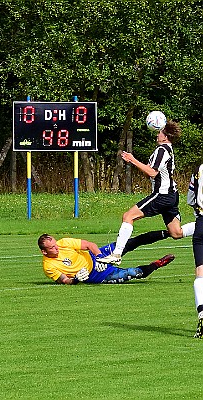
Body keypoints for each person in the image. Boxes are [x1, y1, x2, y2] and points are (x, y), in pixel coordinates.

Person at [98, 120, 195, 265]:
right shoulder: (165, 149)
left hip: (162, 195)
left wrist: (133, 159)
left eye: (159, 132)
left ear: (165, 136)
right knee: (176, 232)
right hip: (171, 195)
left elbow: (152, 172)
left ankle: (116, 254)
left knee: (128, 216)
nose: (157, 134)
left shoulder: (162, 150)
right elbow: (151, 172)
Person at [38, 232, 175, 285]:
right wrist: (77, 279)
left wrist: (100, 258)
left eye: (55, 244)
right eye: (52, 248)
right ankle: (157, 264)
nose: (56, 248)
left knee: (129, 243)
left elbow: (89, 245)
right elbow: (65, 280)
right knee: (133, 273)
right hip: (97, 276)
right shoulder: (48, 266)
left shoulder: (63, 243)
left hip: (97, 256)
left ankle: (167, 233)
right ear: (44, 252)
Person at [187, 164, 203, 338]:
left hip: (201, 224)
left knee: (200, 272)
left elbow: (191, 199)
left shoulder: (198, 170)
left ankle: (202, 312)